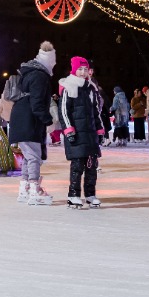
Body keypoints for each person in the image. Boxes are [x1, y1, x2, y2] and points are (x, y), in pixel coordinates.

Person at [9, 41, 57, 205]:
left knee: (28, 156)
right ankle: (34, 189)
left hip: (21, 119)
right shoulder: (39, 76)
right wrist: (48, 121)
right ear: (49, 61)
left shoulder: (30, 73)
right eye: (53, 61)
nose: (54, 65)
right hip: (28, 120)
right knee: (34, 157)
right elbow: (37, 103)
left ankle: (25, 188)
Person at [59, 57, 102, 209]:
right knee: (77, 166)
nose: (83, 72)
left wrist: (99, 130)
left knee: (92, 166)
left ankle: (90, 195)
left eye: (85, 69)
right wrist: (68, 130)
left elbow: (96, 112)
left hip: (90, 134)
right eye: (80, 69)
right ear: (74, 70)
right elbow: (64, 111)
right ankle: (73, 195)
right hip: (76, 134)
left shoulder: (91, 88)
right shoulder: (68, 86)